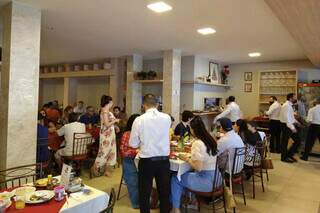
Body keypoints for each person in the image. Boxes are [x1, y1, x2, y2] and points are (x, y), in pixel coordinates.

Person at [129, 94, 171, 213]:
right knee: (164, 193)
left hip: (147, 161)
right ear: (157, 104)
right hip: (164, 161)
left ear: (143, 105)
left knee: (144, 193)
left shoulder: (139, 119)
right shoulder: (167, 117)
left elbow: (133, 143)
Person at [171, 116, 218, 213]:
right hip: (217, 179)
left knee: (176, 178)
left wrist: (187, 159)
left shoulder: (197, 143)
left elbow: (198, 168)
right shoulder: (210, 139)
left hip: (207, 181)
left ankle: (176, 209)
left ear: (193, 129)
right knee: (186, 173)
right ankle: (190, 200)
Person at [92, 95, 120, 177]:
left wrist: (115, 126)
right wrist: (115, 121)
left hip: (110, 133)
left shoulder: (108, 111)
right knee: (104, 151)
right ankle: (95, 167)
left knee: (111, 151)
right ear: (108, 102)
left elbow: (109, 123)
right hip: (106, 135)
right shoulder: (104, 111)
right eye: (111, 101)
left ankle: (107, 170)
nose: (112, 103)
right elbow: (107, 124)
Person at [119, 114, 140, 209]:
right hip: (129, 160)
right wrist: (135, 151)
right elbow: (123, 152)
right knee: (133, 180)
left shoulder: (143, 133)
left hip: (141, 159)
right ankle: (136, 203)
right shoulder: (127, 134)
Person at [279, 93, 301, 163]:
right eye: (295, 97)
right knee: (284, 142)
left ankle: (289, 154)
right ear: (290, 98)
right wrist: (292, 128)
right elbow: (287, 119)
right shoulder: (287, 106)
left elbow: (290, 117)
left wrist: (296, 122)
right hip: (286, 126)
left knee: (297, 140)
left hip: (289, 125)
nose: (296, 99)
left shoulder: (289, 105)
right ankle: (284, 158)